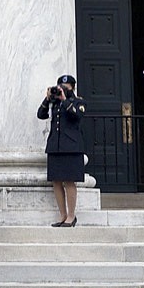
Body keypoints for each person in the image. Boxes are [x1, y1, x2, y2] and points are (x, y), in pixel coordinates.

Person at [37, 74, 86, 227]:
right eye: (60, 87)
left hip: (71, 146)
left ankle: (71, 216)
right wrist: (47, 98)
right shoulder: (55, 103)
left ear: (72, 87)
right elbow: (41, 114)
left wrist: (65, 100)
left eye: (66, 87)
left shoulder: (78, 102)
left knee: (69, 181)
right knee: (56, 181)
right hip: (55, 145)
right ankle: (62, 215)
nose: (62, 90)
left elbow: (77, 115)